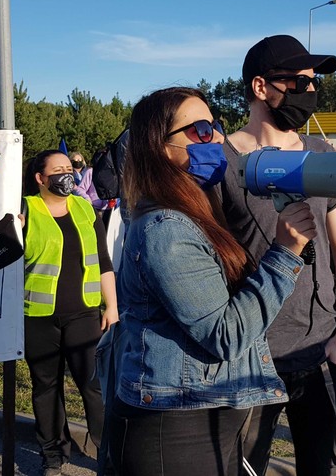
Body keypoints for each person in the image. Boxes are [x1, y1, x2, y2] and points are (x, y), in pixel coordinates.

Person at [106, 87, 316, 475]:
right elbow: (226, 335)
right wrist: (286, 253)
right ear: (160, 148)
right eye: (201, 131)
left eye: (216, 126)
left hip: (199, 415)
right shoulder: (166, 228)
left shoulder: (195, 215)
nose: (218, 138)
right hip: (174, 430)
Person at [217, 35, 336, 475]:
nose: (310, 91)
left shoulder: (323, 156)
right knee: (244, 467)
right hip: (248, 357)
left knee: (317, 465)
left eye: (313, 82)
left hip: (320, 350)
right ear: (261, 87)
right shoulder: (219, 165)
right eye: (299, 81)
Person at [21, 150, 119, 476]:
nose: (67, 174)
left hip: (84, 315)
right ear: (40, 178)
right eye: (58, 170)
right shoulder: (24, 210)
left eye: (69, 168)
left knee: (94, 387)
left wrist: (112, 306)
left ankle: (108, 455)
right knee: (46, 389)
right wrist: (12, 228)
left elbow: (103, 261)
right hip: (37, 317)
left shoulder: (84, 208)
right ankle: (52, 456)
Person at [68, 151, 111, 226]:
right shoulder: (90, 172)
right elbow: (80, 189)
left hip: (109, 210)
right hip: (93, 208)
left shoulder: (111, 173)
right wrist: (87, 199)